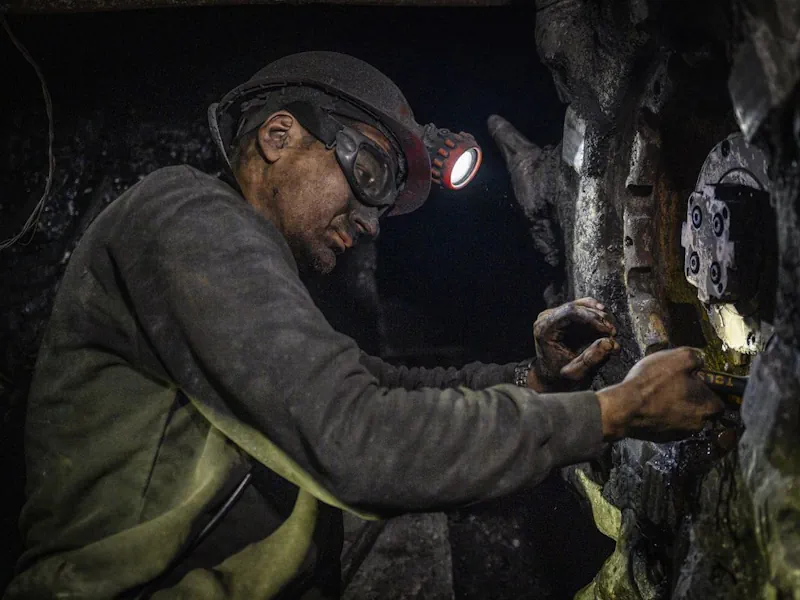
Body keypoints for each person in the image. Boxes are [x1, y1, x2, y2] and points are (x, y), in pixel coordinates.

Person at [5, 52, 722, 600]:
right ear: (279, 136)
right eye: (369, 174)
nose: (370, 224)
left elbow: (378, 386)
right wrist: (611, 413)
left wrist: (530, 381)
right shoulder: (185, 216)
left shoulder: (245, 275)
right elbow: (356, 437)